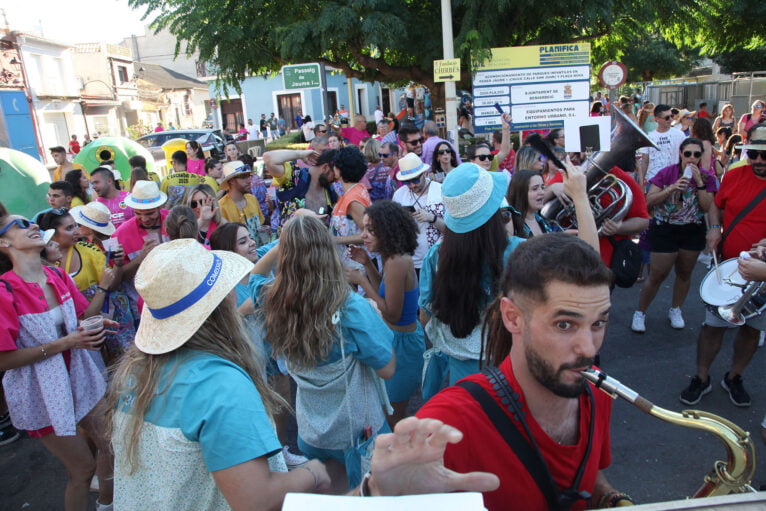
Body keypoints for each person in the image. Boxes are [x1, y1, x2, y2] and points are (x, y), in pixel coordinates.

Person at [108, 237, 499, 508]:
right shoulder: (220, 385)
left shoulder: (136, 374)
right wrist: (311, 475)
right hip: (349, 431)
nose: (235, 294)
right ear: (219, 304)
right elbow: (257, 500)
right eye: (227, 288)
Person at [416, 233, 628, 511]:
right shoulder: (449, 423)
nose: (589, 350)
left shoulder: (597, 390)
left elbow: (587, 475)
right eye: (565, 325)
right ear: (513, 318)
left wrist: (611, 498)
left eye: (599, 323)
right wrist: (373, 492)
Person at [419, 162, 598, 395]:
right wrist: (580, 197)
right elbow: (591, 266)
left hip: (463, 381)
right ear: (496, 214)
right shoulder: (521, 252)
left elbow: (426, 317)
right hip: (516, 371)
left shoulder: (435, 256)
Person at [252, 215, 395, 491]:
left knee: (331, 496)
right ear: (327, 250)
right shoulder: (351, 308)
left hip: (312, 433)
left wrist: (288, 240)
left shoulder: (272, 299)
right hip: (356, 433)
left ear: (285, 254)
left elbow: (255, 275)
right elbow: (387, 369)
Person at [0, 202, 116, 511]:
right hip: (41, 396)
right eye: (20, 224)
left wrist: (97, 317)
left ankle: (107, 504)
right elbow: (3, 360)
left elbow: (81, 318)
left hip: (79, 377)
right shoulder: (4, 292)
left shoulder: (57, 275)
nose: (32, 225)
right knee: (81, 470)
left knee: (112, 444)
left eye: (30, 221)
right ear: (4, 243)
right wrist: (67, 342)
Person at [679, 124, 766, 408]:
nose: (758, 161)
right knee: (712, 326)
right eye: (753, 154)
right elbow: (717, 204)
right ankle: (701, 377)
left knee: (752, 329)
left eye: (764, 155)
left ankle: (734, 376)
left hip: (763, 274)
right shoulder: (736, 174)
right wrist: (715, 227)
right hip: (727, 267)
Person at [346, 200, 425, 427]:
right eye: (364, 229)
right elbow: (386, 291)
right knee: (390, 410)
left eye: (371, 230)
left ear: (388, 230)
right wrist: (367, 265)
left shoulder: (398, 261)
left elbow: (391, 313)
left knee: (394, 414)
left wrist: (361, 279)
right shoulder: (391, 258)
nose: (364, 236)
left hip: (403, 345)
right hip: (397, 340)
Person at [631, 138, 718, 333]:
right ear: (681, 153)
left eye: (697, 154)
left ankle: (676, 309)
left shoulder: (707, 177)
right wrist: (672, 188)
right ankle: (640, 312)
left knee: (685, 272)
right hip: (665, 228)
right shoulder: (667, 173)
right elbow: (649, 201)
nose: (692, 158)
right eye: (688, 154)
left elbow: (706, 206)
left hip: (692, 230)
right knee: (657, 274)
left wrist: (699, 183)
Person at [262, 148, 339, 233]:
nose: (336, 180)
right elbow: (268, 158)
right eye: (334, 176)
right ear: (325, 167)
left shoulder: (330, 190)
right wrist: (300, 154)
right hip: (291, 244)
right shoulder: (295, 177)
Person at [391, 154, 445, 273]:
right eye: (407, 182)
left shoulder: (441, 191)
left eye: (415, 180)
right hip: (410, 261)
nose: (412, 185)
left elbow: (452, 229)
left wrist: (432, 218)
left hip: (439, 259)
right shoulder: (399, 195)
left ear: (425, 174)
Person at [111, 181, 170, 280]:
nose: (144, 219)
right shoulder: (117, 235)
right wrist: (140, 258)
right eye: (138, 213)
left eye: (150, 213)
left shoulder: (174, 219)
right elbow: (115, 280)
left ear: (160, 207)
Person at [329, 147, 371, 261]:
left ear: (339, 169)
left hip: (356, 263)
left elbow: (369, 234)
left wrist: (335, 240)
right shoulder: (356, 190)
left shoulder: (353, 200)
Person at [639, 104, 687, 189]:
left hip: (674, 180)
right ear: (657, 119)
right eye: (667, 117)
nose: (670, 119)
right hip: (654, 180)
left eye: (671, 116)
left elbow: (684, 157)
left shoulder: (679, 134)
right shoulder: (649, 137)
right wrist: (641, 182)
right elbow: (645, 161)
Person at [218, 161, 265, 244]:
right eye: (243, 177)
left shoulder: (252, 199)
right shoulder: (221, 207)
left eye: (249, 176)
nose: (249, 180)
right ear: (231, 181)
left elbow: (261, 226)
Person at [506, 169, 562, 238]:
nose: (542, 192)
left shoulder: (542, 220)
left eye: (542, 187)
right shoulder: (511, 225)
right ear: (520, 193)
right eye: (535, 189)